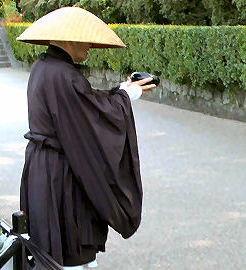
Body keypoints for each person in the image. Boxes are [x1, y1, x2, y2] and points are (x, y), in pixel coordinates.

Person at [16, 7, 156, 269]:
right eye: (86, 40)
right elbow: (91, 117)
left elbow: (85, 104)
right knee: (70, 244)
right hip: (61, 175)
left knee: (50, 245)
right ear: (70, 39)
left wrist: (121, 91)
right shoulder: (65, 76)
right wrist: (126, 98)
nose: (90, 46)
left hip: (43, 169)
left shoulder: (44, 67)